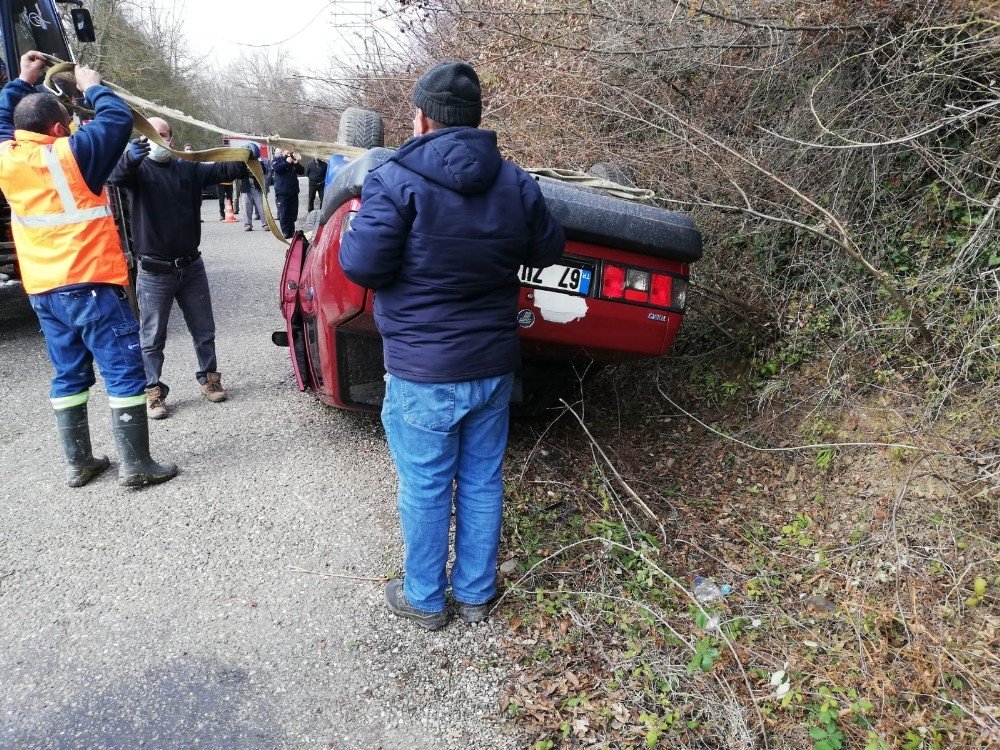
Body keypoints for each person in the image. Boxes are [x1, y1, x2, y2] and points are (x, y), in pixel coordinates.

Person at [340, 61, 564, 630]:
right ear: (474, 119)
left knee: (426, 483)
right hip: (492, 366)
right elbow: (547, 251)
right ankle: (474, 593)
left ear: (420, 118)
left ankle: (424, 598)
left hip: (423, 370)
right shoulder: (515, 181)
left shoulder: (393, 179)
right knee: (484, 478)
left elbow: (360, 265)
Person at [0, 51, 177, 487]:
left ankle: (79, 463)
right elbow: (116, 118)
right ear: (60, 129)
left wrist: (21, 81)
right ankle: (136, 466)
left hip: (44, 290)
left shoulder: (7, 156)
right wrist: (92, 85)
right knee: (123, 369)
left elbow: (5, 121)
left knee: (68, 374)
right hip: (91, 283)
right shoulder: (73, 153)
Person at [109, 117, 250, 419]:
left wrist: (245, 154)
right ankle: (154, 393)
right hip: (154, 272)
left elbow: (223, 169)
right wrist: (129, 160)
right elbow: (117, 177)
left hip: (191, 267)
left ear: (171, 140)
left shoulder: (187, 167)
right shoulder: (137, 171)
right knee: (152, 338)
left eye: (162, 135)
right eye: (150, 135)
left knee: (204, 330)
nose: (156, 140)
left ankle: (210, 380)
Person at [271, 147, 304, 238]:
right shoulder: (276, 160)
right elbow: (277, 169)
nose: (288, 152)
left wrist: (296, 163)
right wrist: (287, 162)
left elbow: (302, 171)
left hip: (293, 191)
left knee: (293, 212)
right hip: (282, 192)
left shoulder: (291, 160)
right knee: (284, 213)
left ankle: (291, 230)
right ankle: (285, 231)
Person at [239, 143, 266, 231]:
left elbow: (263, 172)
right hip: (246, 187)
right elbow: (238, 175)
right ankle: (248, 224)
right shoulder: (242, 163)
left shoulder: (259, 162)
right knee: (246, 206)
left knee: (261, 206)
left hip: (256, 186)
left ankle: (265, 223)